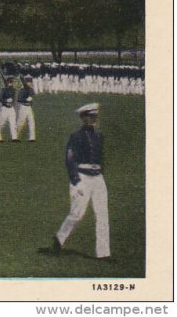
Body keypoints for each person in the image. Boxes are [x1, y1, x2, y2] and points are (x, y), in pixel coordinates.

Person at [44, 103, 110, 259]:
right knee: (77, 214)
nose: (93, 120)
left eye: (95, 117)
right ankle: (59, 238)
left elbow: (101, 159)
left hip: (98, 178)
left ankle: (103, 253)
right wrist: (76, 180)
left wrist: (100, 173)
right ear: (83, 118)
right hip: (82, 178)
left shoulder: (99, 136)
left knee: (102, 214)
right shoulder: (76, 137)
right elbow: (70, 160)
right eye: (90, 117)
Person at [16, 75, 37, 142]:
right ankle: (15, 136)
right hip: (23, 107)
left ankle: (32, 138)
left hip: (29, 107)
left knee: (31, 121)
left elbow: (33, 94)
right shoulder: (22, 89)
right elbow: (19, 99)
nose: (30, 83)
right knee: (20, 122)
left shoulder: (30, 89)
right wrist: (26, 99)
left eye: (30, 82)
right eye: (28, 82)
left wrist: (30, 95)